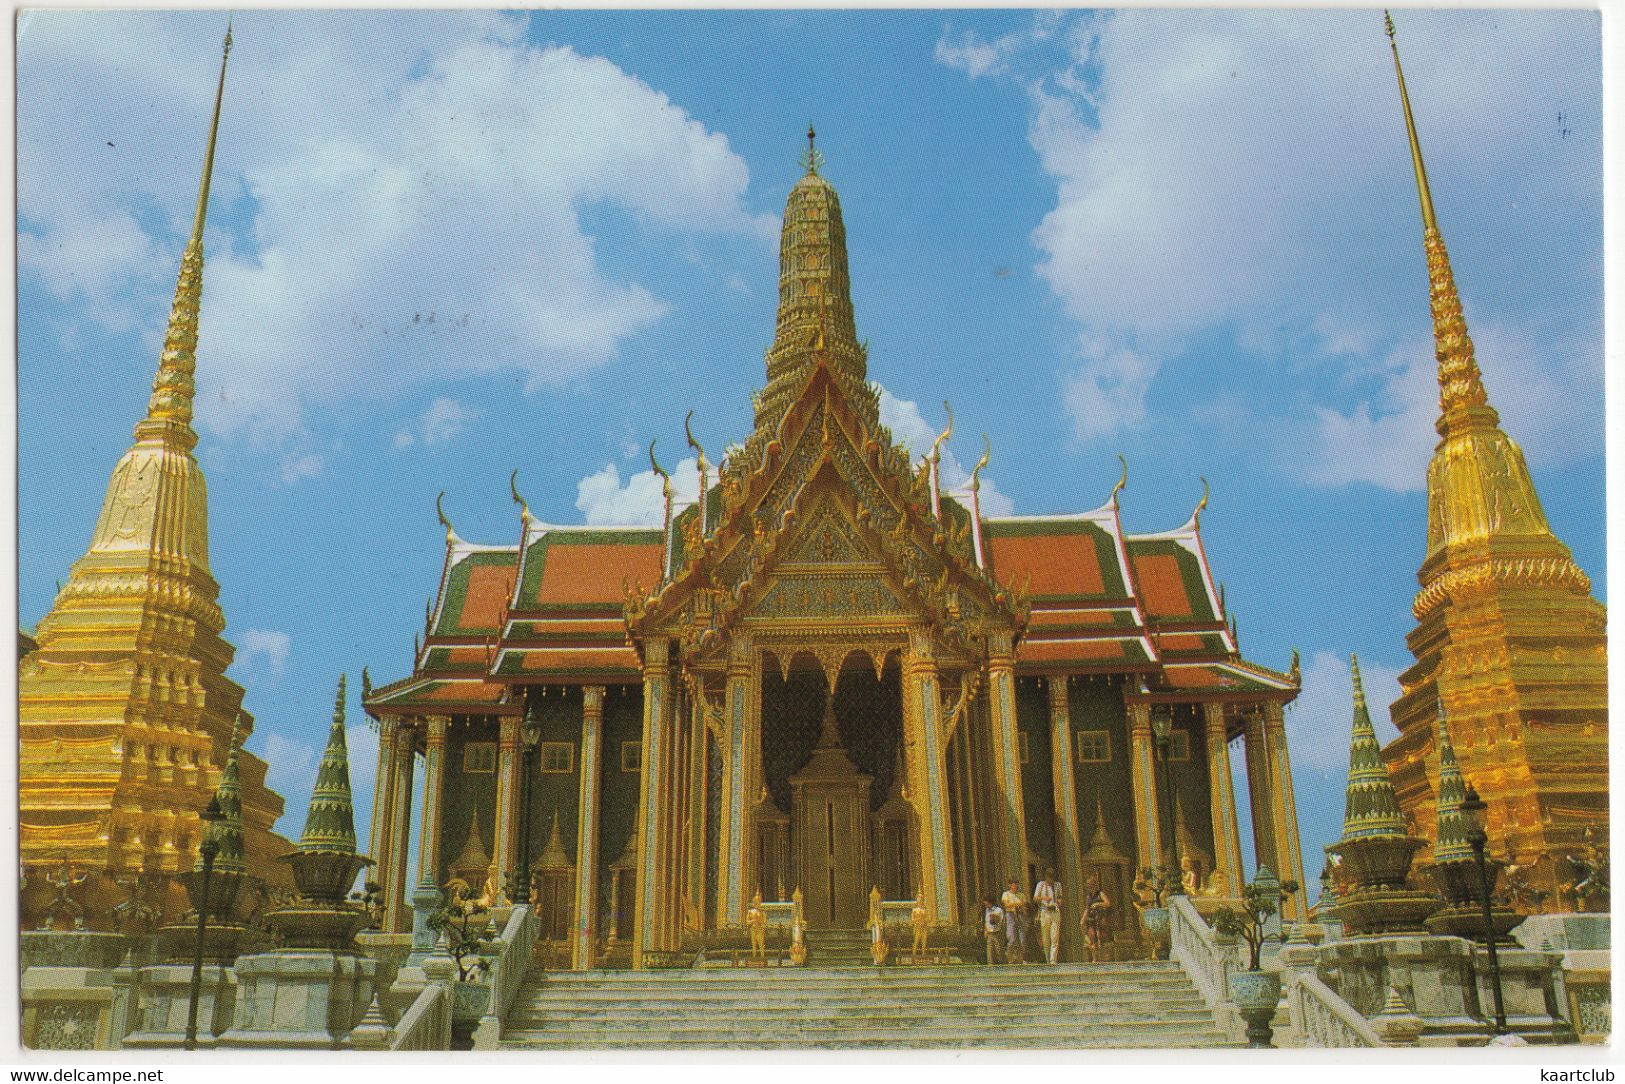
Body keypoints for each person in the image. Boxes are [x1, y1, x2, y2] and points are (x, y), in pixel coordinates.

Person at [1033, 868, 1063, 964]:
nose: (1051, 879)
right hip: (1045, 912)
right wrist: (1044, 898)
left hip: (1055, 912)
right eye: (1049, 877)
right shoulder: (1041, 885)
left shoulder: (1057, 885)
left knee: (1054, 937)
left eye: (1052, 877)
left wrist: (1059, 902)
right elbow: (1035, 898)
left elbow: (1060, 898)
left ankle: (1053, 960)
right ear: (1046, 876)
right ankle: (1047, 960)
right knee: (1046, 939)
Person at [1082, 876, 1112, 963]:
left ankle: (1102, 958)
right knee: (1092, 936)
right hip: (1091, 919)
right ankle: (1094, 958)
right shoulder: (1088, 896)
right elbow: (1087, 908)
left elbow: (1107, 903)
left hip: (1100, 918)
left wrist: (1098, 904)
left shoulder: (1100, 894)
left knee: (1100, 937)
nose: (1088, 888)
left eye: (1089, 886)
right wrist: (1083, 919)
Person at [1000, 878, 1028, 964]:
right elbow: (1006, 905)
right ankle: (1010, 959)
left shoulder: (1021, 895)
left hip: (1020, 915)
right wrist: (1017, 904)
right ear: (1010, 885)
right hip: (1010, 915)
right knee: (1011, 938)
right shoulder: (1006, 894)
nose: (1015, 886)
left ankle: (1021, 958)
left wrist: (1015, 905)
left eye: (1016, 884)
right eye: (1013, 884)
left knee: (1022, 940)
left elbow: (1024, 905)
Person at [980, 895, 1005, 965]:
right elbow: (986, 921)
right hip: (989, 933)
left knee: (999, 951)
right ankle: (990, 966)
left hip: (997, 933)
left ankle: (1002, 965)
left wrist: (994, 918)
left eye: (986, 903)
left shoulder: (999, 910)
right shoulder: (987, 910)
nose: (985, 904)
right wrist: (985, 930)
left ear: (990, 902)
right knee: (990, 952)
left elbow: (1000, 921)